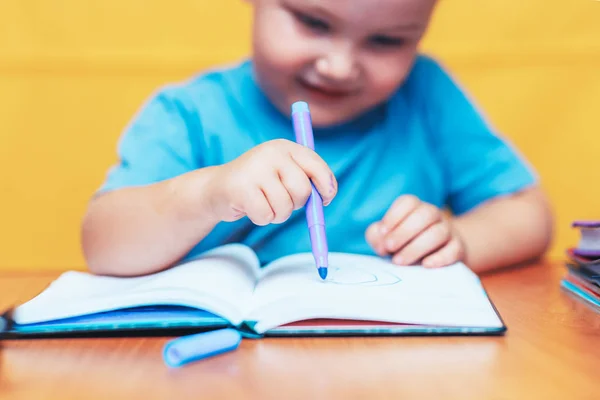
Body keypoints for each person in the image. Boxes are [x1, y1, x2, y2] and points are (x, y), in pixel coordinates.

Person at [81, 0, 553, 277]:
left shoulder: (427, 95)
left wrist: (459, 240)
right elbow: (102, 243)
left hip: (391, 364)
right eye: (314, 22)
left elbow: (529, 213)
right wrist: (207, 194)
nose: (339, 66)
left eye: (387, 41)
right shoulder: (188, 114)